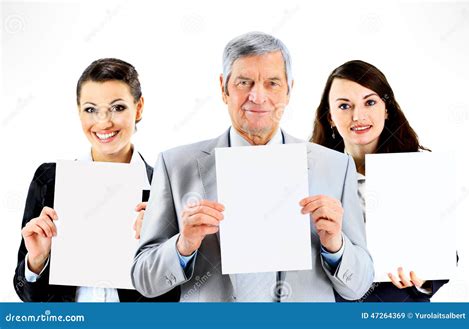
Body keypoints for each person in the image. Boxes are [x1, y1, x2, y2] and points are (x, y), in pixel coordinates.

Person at [131, 32, 373, 302]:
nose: (258, 97)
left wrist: (336, 246)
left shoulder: (335, 167)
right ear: (224, 88)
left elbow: (359, 286)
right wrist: (183, 245)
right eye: (244, 83)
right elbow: (144, 280)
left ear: (289, 90)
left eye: (272, 83)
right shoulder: (176, 166)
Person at [13, 58, 179, 302]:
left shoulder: (165, 188)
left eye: (118, 107)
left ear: (139, 107)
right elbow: (28, 297)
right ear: (78, 111)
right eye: (90, 109)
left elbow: (173, 301)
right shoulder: (49, 180)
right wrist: (36, 261)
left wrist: (160, 254)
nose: (104, 122)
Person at [311, 59, 449, 302]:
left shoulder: (420, 170)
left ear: (386, 109)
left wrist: (424, 277)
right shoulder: (311, 174)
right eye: (344, 106)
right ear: (330, 116)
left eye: (370, 102)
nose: (358, 115)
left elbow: (445, 253)